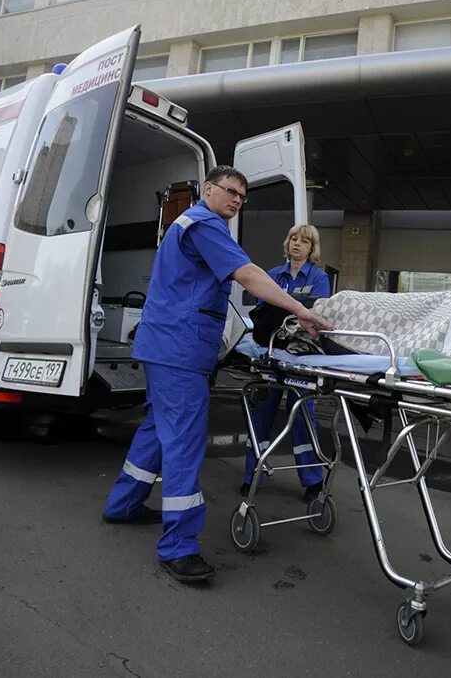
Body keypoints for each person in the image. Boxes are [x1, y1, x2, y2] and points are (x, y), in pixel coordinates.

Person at [101, 165, 330, 583]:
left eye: (243, 195)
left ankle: (124, 504)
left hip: (165, 346)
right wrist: (300, 310)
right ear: (208, 189)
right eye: (231, 191)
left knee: (157, 427)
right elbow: (247, 275)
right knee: (185, 440)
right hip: (179, 350)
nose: (237, 199)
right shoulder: (205, 224)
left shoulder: (188, 225)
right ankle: (179, 546)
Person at [241, 224, 331, 501]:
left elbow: (316, 311)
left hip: (302, 357)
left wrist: (285, 305)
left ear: (311, 248)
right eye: (293, 238)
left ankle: (313, 481)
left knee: (304, 417)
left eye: (304, 241)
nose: (297, 244)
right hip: (271, 353)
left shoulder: (319, 277)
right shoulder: (272, 275)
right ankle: (251, 475)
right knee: (261, 415)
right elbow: (264, 312)